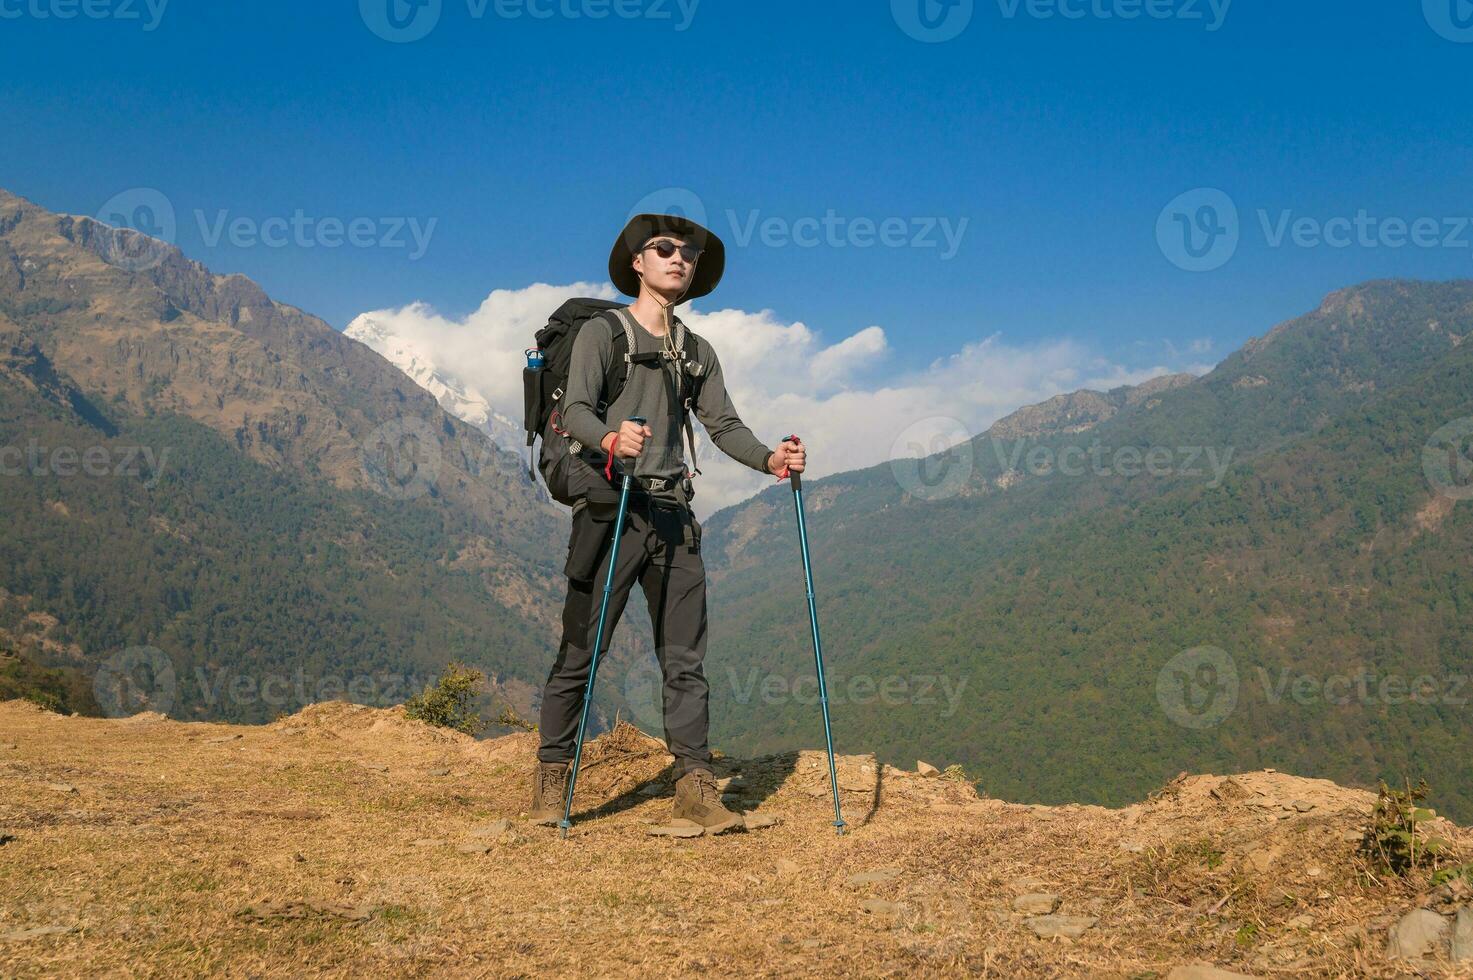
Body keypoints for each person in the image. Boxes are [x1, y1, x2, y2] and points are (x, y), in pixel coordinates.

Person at [529, 213, 805, 833]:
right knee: (584, 650)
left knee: (684, 656)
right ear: (637, 262)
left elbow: (724, 425)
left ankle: (696, 786)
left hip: (674, 512)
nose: (678, 258)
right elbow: (572, 410)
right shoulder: (606, 333)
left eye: (688, 253)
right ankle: (553, 779)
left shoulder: (696, 351)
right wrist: (610, 438)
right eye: (664, 248)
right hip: (613, 507)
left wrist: (771, 459)